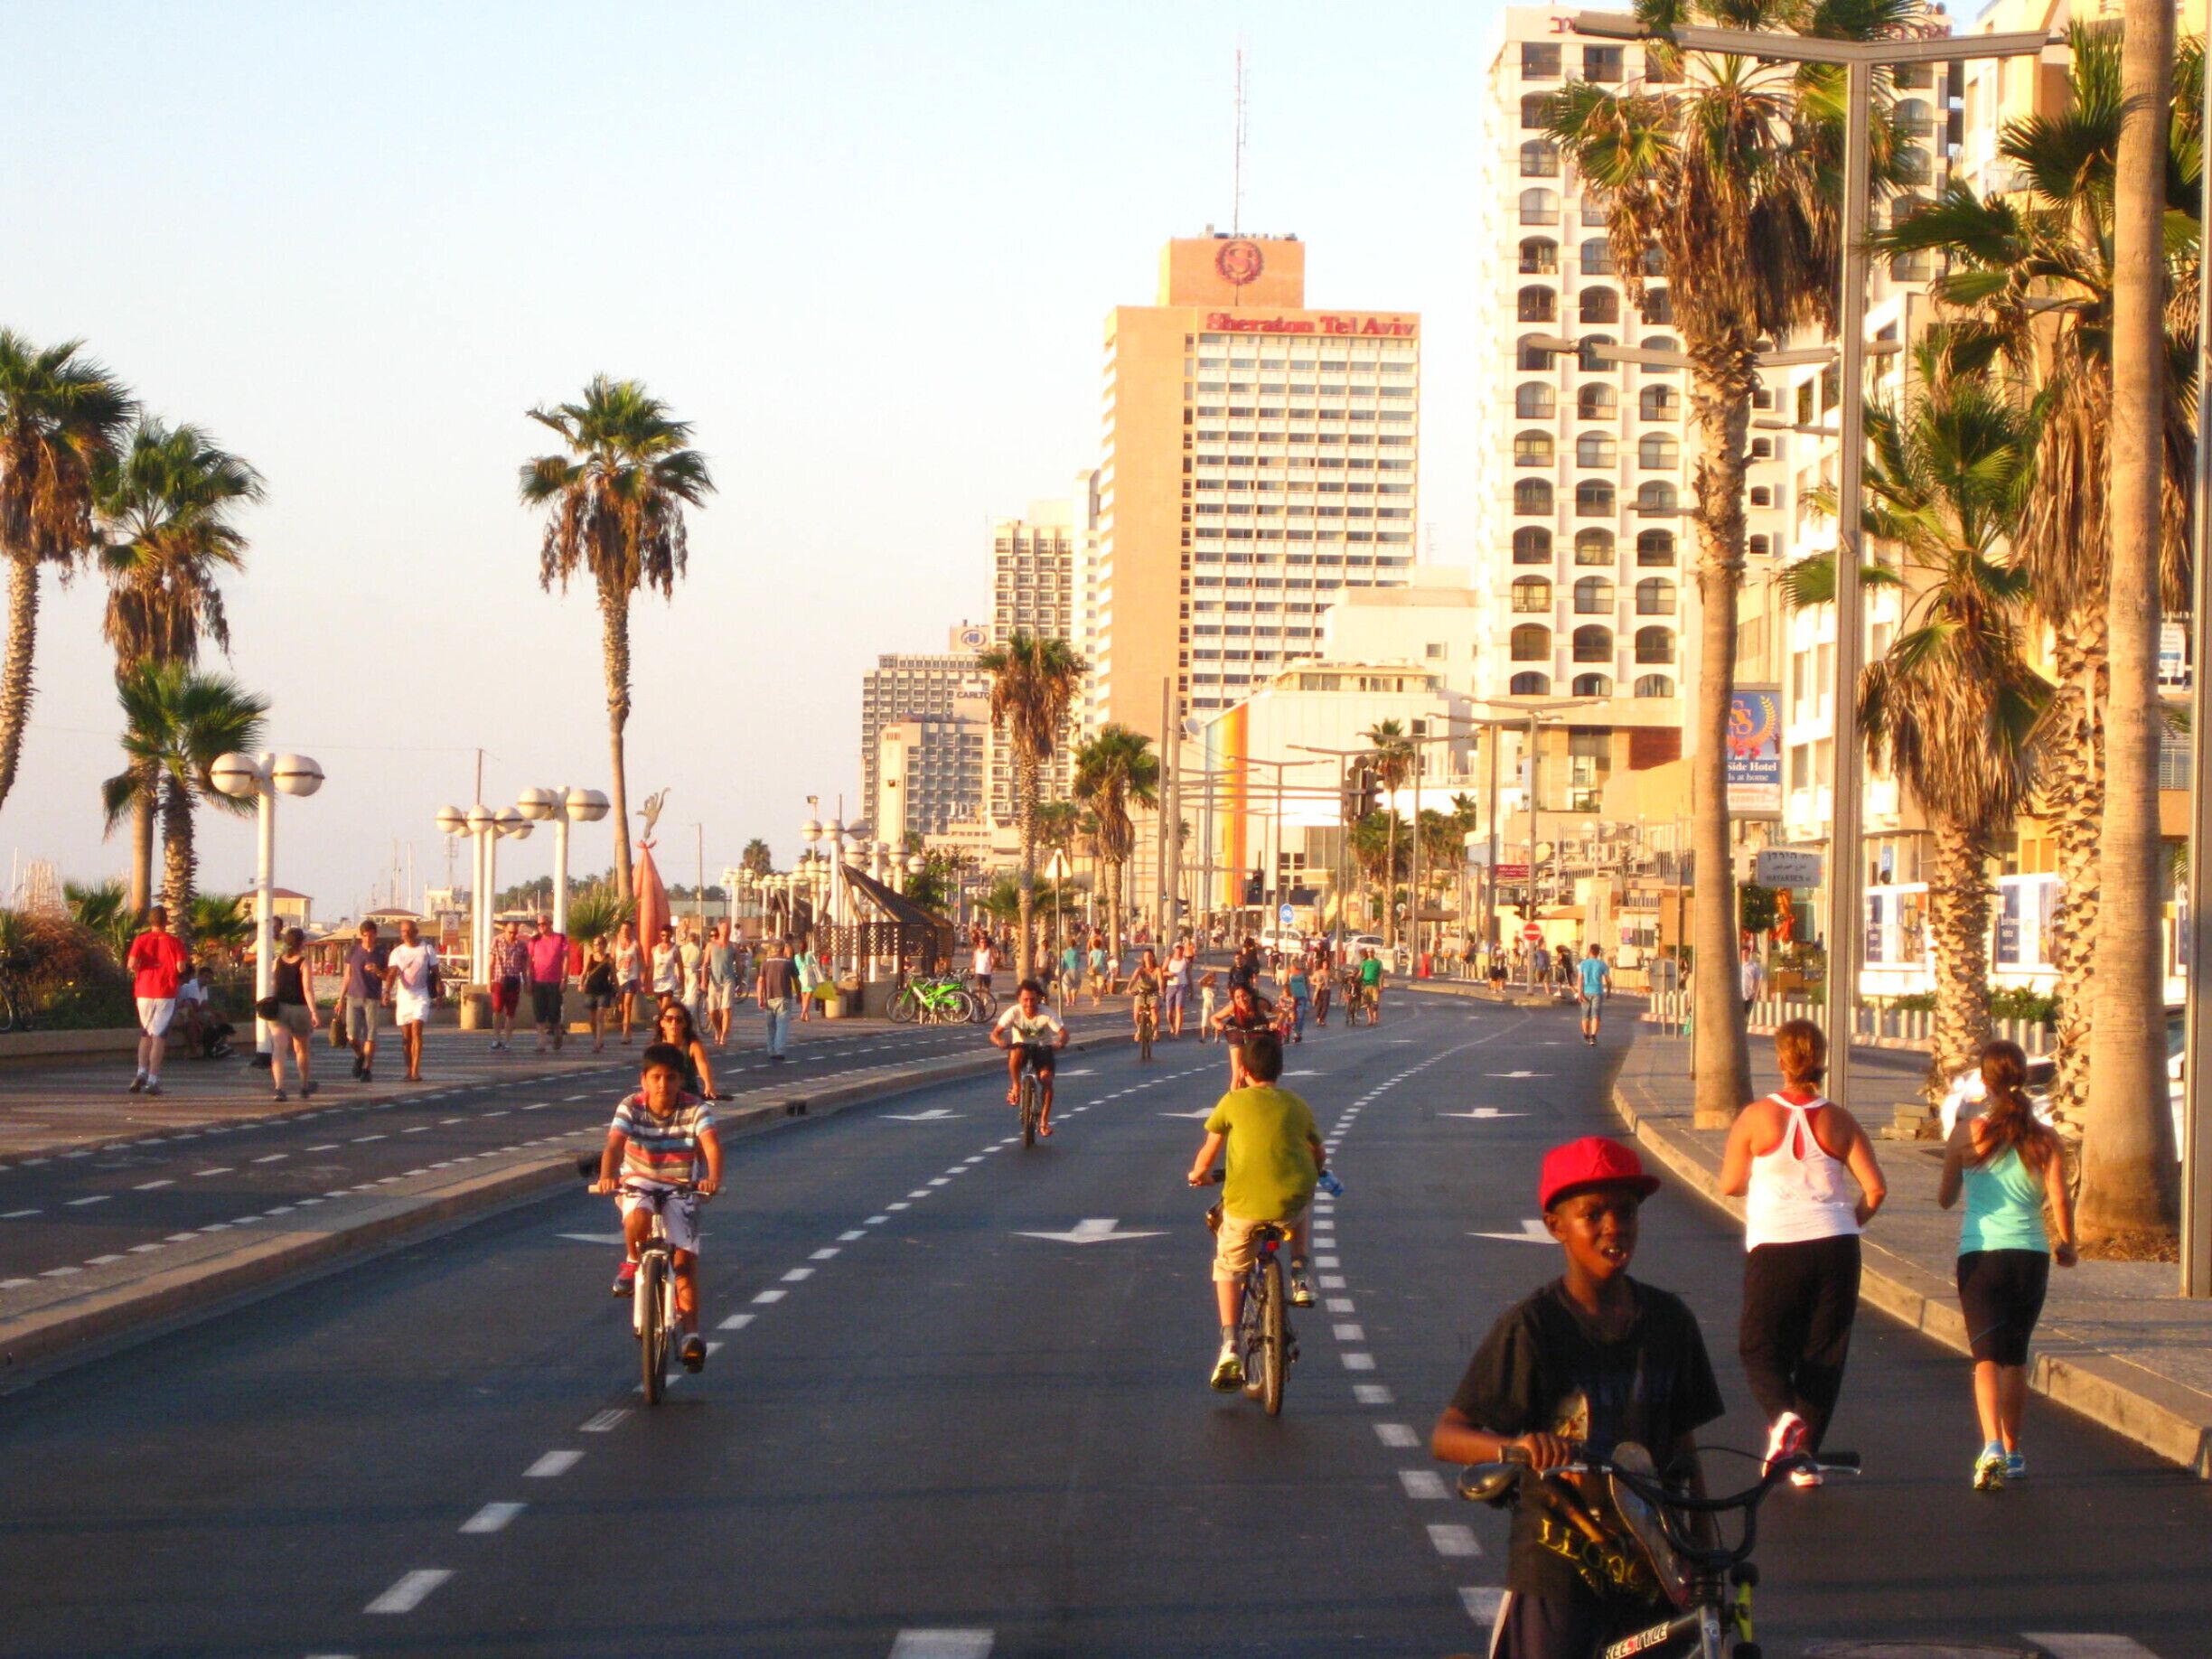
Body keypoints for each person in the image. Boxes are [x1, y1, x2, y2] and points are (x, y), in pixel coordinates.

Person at [1429, 1137, 1725, 1659]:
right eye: (1594, 1214)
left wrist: (1701, 1547)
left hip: (1653, 1565)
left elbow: (1683, 1447)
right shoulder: (1534, 1327)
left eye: (1626, 1212)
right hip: (1559, 1567)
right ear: (1556, 1226)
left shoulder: (1670, 1322)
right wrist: (1520, 1448)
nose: (1614, 1227)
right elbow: (1448, 1436)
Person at [1719, 1019, 1887, 1487]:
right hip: (1837, 1246)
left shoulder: (1756, 1117)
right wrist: (1849, 1222)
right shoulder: (1840, 1120)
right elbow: (1875, 1189)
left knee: (1759, 1345)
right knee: (1824, 1350)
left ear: (1780, 1060)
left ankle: (1783, 1417)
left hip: (1777, 1243)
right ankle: (1804, 1459)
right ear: (1821, 1059)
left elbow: (1730, 1183)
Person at [1938, 1038, 2076, 1490]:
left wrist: (1964, 1175)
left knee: (1985, 1358)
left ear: (1985, 1081)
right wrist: (2068, 1245)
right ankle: (2014, 1452)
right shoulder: (2046, 1138)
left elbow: (1945, 1198)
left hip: (1980, 1255)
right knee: (2015, 1358)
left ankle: (1992, 1445)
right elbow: (2059, 1199)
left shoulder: (1967, 1132)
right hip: (2030, 1256)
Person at [1186, 1029, 1323, 1390]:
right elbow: (1317, 1152)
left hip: (1244, 1207)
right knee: (1303, 1203)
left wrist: (1198, 1175)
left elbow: (1208, 1152)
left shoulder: (1232, 1101)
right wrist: (1317, 1171)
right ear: (1280, 1070)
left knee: (1228, 1268)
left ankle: (1230, 1345)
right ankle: (1300, 1273)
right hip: (1290, 1201)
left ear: (1244, 1071)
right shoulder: (1297, 1104)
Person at [591, 1041, 723, 1373]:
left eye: (670, 1078)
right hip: (639, 1179)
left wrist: (712, 1179)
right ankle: (633, 1260)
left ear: (681, 1080)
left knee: (684, 1262)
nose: (663, 1085)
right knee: (637, 1216)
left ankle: (691, 1336)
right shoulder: (631, 1106)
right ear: (644, 1080)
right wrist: (607, 1177)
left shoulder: (695, 1108)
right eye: (656, 1077)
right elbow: (614, 1145)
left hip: (682, 1183)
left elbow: (711, 1145)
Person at [124, 904, 189, 1097]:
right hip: (165, 991)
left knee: (146, 1033)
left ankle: (141, 1072)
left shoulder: (140, 940)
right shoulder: (175, 942)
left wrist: (141, 969)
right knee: (159, 1036)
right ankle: (152, 1080)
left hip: (144, 990)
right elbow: (181, 968)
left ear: (150, 921)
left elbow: (131, 964)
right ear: (166, 921)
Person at [990, 979, 1067, 1135]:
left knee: (1046, 1080)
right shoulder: (1014, 1012)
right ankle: (1016, 1086)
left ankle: (1044, 1121)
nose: (1029, 1004)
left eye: (1033, 999)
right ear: (1019, 999)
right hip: (1021, 1048)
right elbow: (995, 1033)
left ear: (1038, 998)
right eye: (1025, 1000)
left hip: (1043, 1049)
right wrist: (1000, 1042)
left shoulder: (1046, 1013)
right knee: (1016, 1051)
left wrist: (1060, 1043)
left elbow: (1063, 1033)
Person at [382, 918, 439, 1083]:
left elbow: (436, 972)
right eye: (403, 931)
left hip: (421, 994)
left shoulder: (427, 949)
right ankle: (408, 1069)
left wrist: (439, 993)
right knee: (406, 1037)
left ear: (416, 932)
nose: (405, 934)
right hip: (404, 997)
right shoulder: (397, 952)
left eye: (408, 931)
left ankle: (415, 1070)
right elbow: (392, 974)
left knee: (416, 1029)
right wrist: (387, 992)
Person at [267, 926, 320, 1102]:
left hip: (279, 1009)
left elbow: (273, 985)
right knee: (301, 1049)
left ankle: (279, 1088)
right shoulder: (304, 962)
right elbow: (307, 990)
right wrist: (314, 1012)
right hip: (299, 1009)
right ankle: (303, 1085)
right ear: (302, 943)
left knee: (279, 1048)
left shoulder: (277, 961)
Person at [337, 921, 386, 1083]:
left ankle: (367, 1069)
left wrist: (377, 970)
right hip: (353, 996)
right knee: (352, 1036)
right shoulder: (353, 951)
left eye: (371, 936)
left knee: (370, 1035)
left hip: (372, 997)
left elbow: (387, 976)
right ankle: (359, 1056)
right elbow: (347, 976)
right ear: (361, 935)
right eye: (365, 936)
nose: (368, 939)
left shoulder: (381, 952)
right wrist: (340, 999)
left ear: (375, 935)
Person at [1211, 981, 1276, 1088]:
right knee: (1237, 1073)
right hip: (1236, 1034)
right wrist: (1219, 1025)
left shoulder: (1259, 1004)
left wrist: (1276, 1023)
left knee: (1258, 1071)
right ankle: (1233, 1097)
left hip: (1256, 1034)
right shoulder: (1232, 1007)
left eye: (1244, 996)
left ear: (1250, 995)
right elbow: (1214, 1018)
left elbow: (1282, 1013)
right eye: (1237, 997)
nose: (1241, 1000)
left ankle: (1259, 1092)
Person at [651, 1001, 720, 1100]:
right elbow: (650, 1073)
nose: (674, 1023)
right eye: (669, 1019)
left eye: (679, 1020)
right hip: (664, 1097)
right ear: (662, 1023)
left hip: (688, 1097)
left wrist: (709, 1084)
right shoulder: (656, 1047)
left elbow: (702, 1064)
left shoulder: (693, 1046)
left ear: (685, 1023)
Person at [487, 919, 529, 1052]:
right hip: (499, 980)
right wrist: (489, 982)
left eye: (515, 933)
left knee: (511, 1012)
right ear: (505, 930)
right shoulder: (497, 941)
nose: (512, 935)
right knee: (497, 1010)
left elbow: (524, 967)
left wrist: (526, 982)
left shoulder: (522, 945)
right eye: (510, 932)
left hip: (514, 980)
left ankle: (507, 1041)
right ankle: (496, 1038)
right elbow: (491, 964)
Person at [756, 935, 797, 1063]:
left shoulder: (765, 962)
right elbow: (796, 979)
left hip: (769, 997)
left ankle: (771, 1050)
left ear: (772, 949)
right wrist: (799, 994)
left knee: (770, 1026)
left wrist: (760, 997)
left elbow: (760, 981)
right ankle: (779, 1050)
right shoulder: (788, 962)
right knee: (782, 1025)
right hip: (784, 997)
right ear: (783, 949)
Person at [581, 936, 618, 1054]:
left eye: (599, 943)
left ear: (604, 945)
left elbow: (614, 976)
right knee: (592, 1020)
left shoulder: (609, 960)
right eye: (595, 944)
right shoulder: (590, 958)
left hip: (604, 990)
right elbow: (584, 972)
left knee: (600, 1017)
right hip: (591, 989)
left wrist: (618, 989)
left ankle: (598, 1043)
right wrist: (581, 984)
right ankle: (597, 1038)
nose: (597, 946)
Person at [704, 923, 736, 1045]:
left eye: (727, 929)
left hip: (728, 980)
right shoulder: (711, 946)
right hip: (714, 981)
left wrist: (739, 982)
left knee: (726, 1009)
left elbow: (739, 964)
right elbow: (705, 964)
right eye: (723, 928)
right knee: (712, 1011)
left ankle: (723, 1036)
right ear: (719, 930)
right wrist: (703, 980)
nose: (725, 931)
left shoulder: (733, 946)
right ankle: (718, 1030)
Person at [612, 921, 644, 1045]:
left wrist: (642, 979)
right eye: (622, 929)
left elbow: (641, 961)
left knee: (627, 1005)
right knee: (621, 1007)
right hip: (619, 978)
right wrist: (611, 975)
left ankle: (626, 1032)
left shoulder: (636, 944)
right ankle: (626, 1028)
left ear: (631, 930)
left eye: (627, 929)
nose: (625, 931)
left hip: (631, 977)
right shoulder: (616, 943)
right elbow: (612, 960)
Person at [1128, 947, 1162, 1054]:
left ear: (1153, 958)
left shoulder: (1157, 970)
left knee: (1154, 1010)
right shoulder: (1140, 969)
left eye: (1149, 956)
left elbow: (1160, 981)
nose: (1147, 958)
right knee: (1136, 1014)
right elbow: (1133, 979)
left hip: (1153, 993)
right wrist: (1129, 988)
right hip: (1141, 993)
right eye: (1146, 956)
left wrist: (1161, 990)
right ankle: (1139, 1030)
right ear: (1143, 958)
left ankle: (1155, 1030)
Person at [1576, 945, 1612, 1045]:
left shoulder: (1583, 964)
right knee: (1596, 1015)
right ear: (1598, 953)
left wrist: (1579, 992)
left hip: (1585, 991)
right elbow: (1608, 980)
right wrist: (1609, 991)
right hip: (1597, 992)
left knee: (1585, 1015)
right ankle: (1593, 1036)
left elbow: (1580, 979)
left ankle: (1586, 1035)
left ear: (1590, 951)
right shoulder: (1602, 964)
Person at [650, 923, 682, 1012]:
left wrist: (682, 985)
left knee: (664, 1008)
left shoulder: (675, 950)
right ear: (660, 935)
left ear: (671, 935)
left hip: (669, 983)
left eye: (668, 935)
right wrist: (647, 982)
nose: (665, 937)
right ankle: (662, 1021)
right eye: (663, 935)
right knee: (661, 1010)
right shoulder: (654, 949)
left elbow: (680, 968)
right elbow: (651, 967)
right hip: (657, 983)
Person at [679, 923, 707, 1027]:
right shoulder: (698, 949)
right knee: (692, 995)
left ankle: (684, 1010)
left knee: (685, 993)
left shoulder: (683, 948)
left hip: (683, 970)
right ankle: (689, 1014)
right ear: (695, 939)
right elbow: (700, 962)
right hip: (693, 972)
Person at [1163, 942, 1191, 1038]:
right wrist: (1168, 973)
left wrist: (1191, 989)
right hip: (1170, 986)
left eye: (1180, 948)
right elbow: (1161, 971)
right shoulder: (1169, 958)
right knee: (1169, 1011)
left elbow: (1188, 974)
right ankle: (1172, 1027)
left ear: (1183, 949)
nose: (1179, 950)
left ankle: (1177, 1032)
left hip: (1182, 985)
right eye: (1177, 948)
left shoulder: (1185, 960)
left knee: (1179, 1009)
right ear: (1174, 949)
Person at [1283, 955, 1312, 1045]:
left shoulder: (1304, 972)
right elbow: (1285, 984)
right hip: (1291, 996)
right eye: (1295, 961)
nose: (1297, 963)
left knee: (1300, 1016)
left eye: (1298, 961)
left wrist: (1309, 996)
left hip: (1302, 995)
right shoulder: (1288, 971)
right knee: (1289, 1016)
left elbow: (1307, 984)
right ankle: (1287, 1033)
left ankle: (1298, 1034)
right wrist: (1286, 994)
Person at [794, 935, 824, 1024]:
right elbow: (815, 966)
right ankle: (803, 1013)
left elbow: (797, 967)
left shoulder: (796, 957)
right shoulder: (810, 955)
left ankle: (806, 1015)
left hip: (801, 977)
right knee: (808, 997)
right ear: (806, 947)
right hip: (809, 977)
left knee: (804, 996)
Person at [1356, 944, 1384, 1026]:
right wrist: (1355, 978)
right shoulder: (1364, 963)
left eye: (1371, 952)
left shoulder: (1378, 962)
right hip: (1366, 985)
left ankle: (1375, 1019)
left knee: (1375, 1004)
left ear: (1374, 953)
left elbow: (1381, 974)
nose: (1370, 953)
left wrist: (1381, 985)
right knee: (1367, 1004)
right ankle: (1370, 1019)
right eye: (1368, 952)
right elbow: (1361, 973)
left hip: (1375, 985)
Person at [1739, 942, 1766, 1015]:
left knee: (1746, 1016)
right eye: (1743, 953)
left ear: (1749, 954)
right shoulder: (1738, 965)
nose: (1744, 955)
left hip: (1749, 997)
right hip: (1738, 996)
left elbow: (1758, 980)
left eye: (1746, 953)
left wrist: (1755, 995)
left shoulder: (1754, 966)